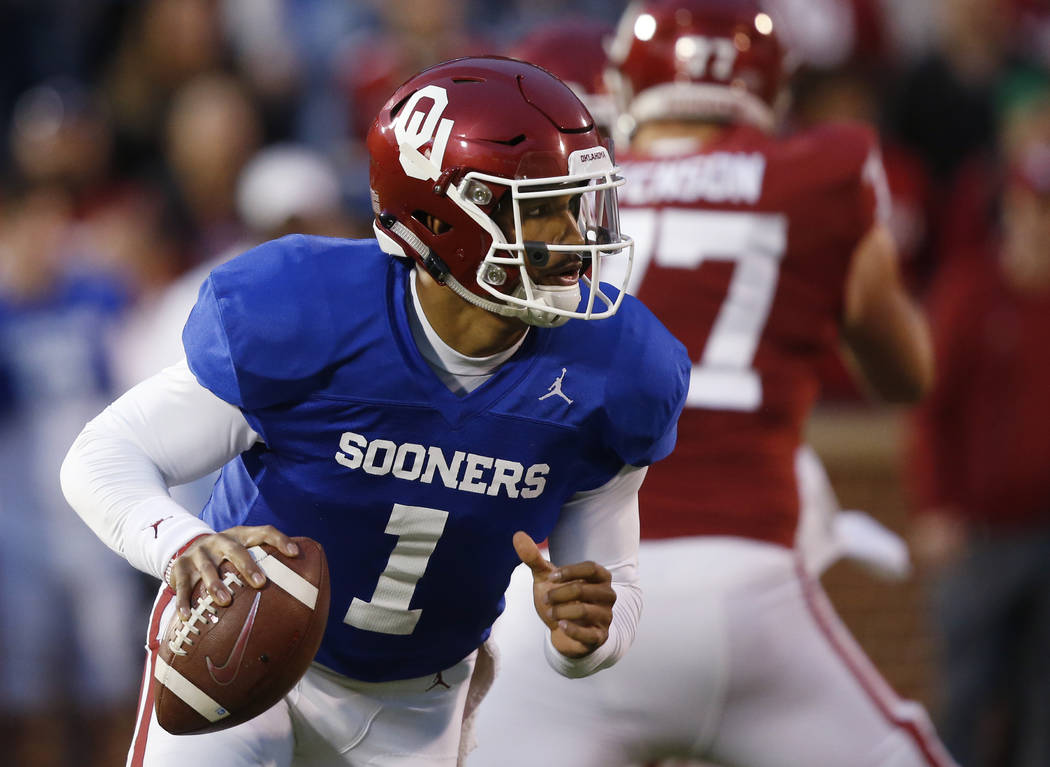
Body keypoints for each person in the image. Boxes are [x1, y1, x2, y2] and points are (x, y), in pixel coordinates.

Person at [59, 56, 690, 767]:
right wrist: (181, 543)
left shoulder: (615, 366)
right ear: (439, 216)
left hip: (419, 703)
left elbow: (614, 586)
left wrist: (589, 637)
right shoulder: (313, 312)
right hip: (235, 651)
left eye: (575, 204)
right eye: (538, 208)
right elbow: (103, 453)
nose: (573, 238)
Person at [468, 3, 955, 765]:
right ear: (770, 86)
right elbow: (907, 375)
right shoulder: (816, 174)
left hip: (561, 599)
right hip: (739, 585)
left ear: (628, 83)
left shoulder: (552, 201)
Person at [906, 92, 1050, 767]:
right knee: (966, 691)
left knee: (1041, 703)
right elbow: (931, 407)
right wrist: (936, 503)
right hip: (982, 533)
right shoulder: (971, 289)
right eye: (1035, 209)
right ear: (1014, 209)